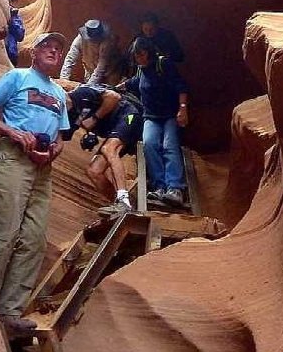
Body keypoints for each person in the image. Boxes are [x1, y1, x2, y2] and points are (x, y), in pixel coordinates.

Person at [0, 32, 69, 337]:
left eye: (58, 49)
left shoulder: (60, 94)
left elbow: (62, 135)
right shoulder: (17, 76)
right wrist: (12, 132)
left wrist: (54, 149)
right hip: (13, 158)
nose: (54, 51)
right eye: (47, 47)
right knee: (5, 232)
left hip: (42, 167)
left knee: (35, 238)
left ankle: (9, 311)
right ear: (34, 53)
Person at [122, 36, 189, 207]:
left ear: (149, 52)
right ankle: (160, 187)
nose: (140, 59)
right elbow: (136, 83)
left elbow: (181, 86)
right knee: (149, 144)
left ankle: (175, 188)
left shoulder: (163, 64)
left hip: (169, 115)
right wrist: (118, 87)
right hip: (151, 116)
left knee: (169, 146)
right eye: (137, 56)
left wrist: (182, 108)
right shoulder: (140, 69)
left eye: (142, 54)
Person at [63, 84, 143, 214]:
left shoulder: (81, 93)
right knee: (94, 171)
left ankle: (124, 201)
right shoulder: (67, 119)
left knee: (109, 149)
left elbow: (113, 96)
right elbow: (61, 138)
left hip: (128, 114)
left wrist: (95, 118)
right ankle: (122, 206)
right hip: (115, 129)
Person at [60, 19, 125, 85]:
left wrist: (88, 87)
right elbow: (70, 59)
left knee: (110, 91)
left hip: (111, 72)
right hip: (90, 71)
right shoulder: (80, 39)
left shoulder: (107, 42)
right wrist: (63, 80)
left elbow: (101, 67)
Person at [4, 0, 25, 66]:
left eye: (13, 1)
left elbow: (20, 36)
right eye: (9, 0)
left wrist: (12, 19)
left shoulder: (16, 18)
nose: (10, 3)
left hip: (11, 54)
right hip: (0, 53)